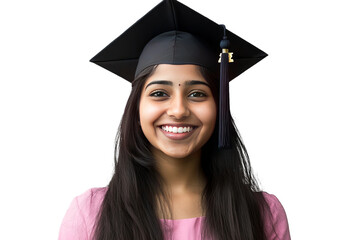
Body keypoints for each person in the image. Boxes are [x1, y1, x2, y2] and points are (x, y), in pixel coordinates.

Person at [59, 0, 291, 239]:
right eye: (159, 93)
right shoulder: (90, 215)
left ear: (219, 107)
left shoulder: (263, 214)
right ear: (136, 108)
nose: (178, 110)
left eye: (197, 94)